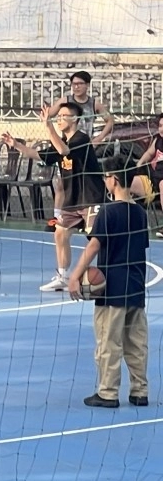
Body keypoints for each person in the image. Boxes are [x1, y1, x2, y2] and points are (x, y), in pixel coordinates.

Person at [1, 103, 103, 292]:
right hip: (73, 201)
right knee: (60, 233)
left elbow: (64, 151)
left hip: (91, 198)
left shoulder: (81, 139)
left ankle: (108, 273)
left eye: (64, 115)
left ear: (75, 119)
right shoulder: (60, 141)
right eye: (59, 116)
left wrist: (47, 126)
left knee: (98, 239)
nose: (59, 119)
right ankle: (63, 277)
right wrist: (16, 145)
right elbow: (37, 154)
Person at [68, 173, 148, 408]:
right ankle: (140, 391)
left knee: (108, 342)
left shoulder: (107, 212)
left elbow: (94, 245)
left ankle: (108, 392)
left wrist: (74, 276)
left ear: (114, 179)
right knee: (137, 344)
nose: (104, 181)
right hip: (136, 287)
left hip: (112, 289)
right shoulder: (141, 213)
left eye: (105, 177)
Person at [46, 70, 114, 146]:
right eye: (74, 84)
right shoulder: (65, 101)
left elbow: (110, 120)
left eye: (80, 84)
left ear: (87, 85)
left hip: (87, 145)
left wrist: (100, 138)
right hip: (68, 145)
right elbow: (48, 115)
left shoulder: (94, 104)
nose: (76, 87)